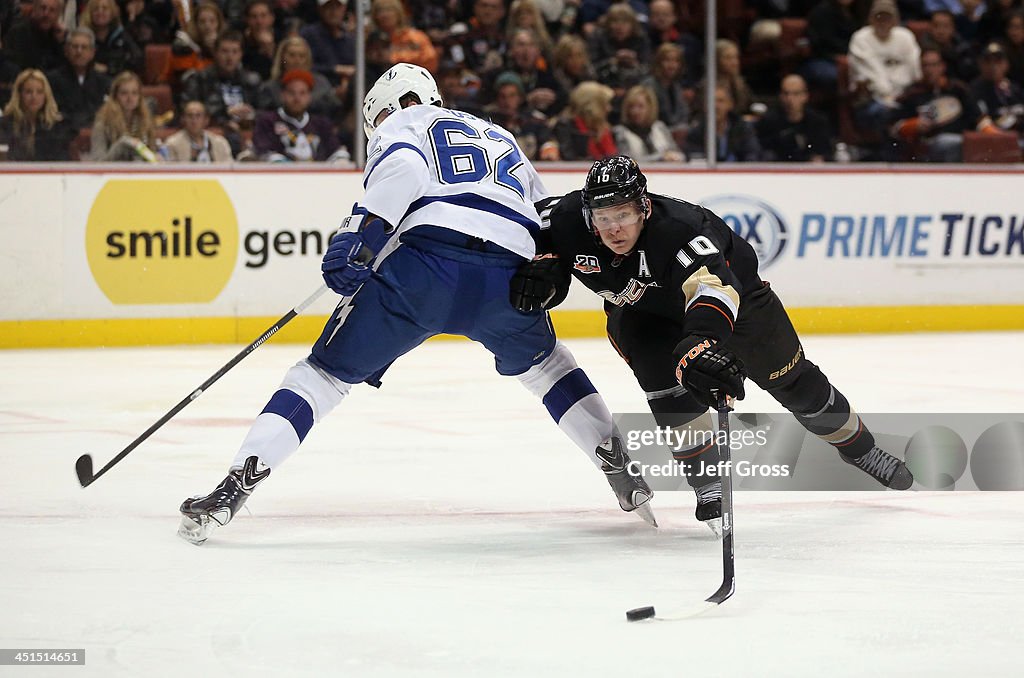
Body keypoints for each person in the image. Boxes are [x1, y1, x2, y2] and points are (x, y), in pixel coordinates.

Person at [178, 63, 656, 546]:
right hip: (508, 278)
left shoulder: (405, 123)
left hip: (428, 270)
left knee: (320, 376)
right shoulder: (498, 133)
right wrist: (549, 262)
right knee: (549, 367)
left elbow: (403, 168)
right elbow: (545, 211)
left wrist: (359, 238)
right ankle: (621, 469)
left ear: (390, 105)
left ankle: (232, 490)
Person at [509, 156, 915, 529]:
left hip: (738, 306)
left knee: (795, 384)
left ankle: (859, 448)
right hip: (644, 313)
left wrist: (701, 342)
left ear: (644, 208)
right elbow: (537, 230)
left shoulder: (682, 230)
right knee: (662, 380)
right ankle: (708, 483)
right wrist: (545, 267)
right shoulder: (565, 220)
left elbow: (713, 290)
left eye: (624, 214)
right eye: (603, 216)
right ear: (588, 213)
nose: (614, 228)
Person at [251, 68, 344, 162]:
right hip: (281, 175)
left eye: (302, 93)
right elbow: (265, 153)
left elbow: (336, 152)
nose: (297, 98)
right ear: (282, 95)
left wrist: (340, 160)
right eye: (291, 93)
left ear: (309, 97)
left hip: (318, 175)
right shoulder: (267, 121)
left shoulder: (322, 124)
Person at [46, 26, 111, 132]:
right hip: (62, 137)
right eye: (75, 47)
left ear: (92, 52)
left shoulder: (104, 82)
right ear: (66, 50)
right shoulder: (52, 80)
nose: (79, 51)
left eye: (84, 47)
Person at [0, 68, 74, 160]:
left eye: (39, 92)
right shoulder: (4, 124)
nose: (34, 97)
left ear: (46, 95)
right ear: (19, 94)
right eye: (28, 92)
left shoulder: (58, 125)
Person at [756, 74, 833, 162]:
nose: (790, 98)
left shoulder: (817, 122)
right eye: (786, 93)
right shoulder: (768, 122)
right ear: (780, 96)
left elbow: (825, 152)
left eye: (795, 94)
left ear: (805, 96)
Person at [88, 70, 159, 161]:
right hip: (113, 173)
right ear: (115, 96)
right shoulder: (102, 124)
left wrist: (157, 157)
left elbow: (152, 154)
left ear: (140, 96)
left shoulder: (146, 121)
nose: (130, 98)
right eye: (124, 93)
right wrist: (121, 146)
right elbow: (98, 162)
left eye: (134, 93)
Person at [612, 84, 685, 162]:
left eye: (640, 107)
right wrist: (660, 158)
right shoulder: (620, 131)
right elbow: (628, 161)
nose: (635, 111)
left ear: (650, 107)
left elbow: (677, 153)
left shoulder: (659, 127)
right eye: (631, 106)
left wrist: (675, 157)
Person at [163, 100, 234, 162]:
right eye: (190, 116)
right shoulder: (172, 144)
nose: (194, 120)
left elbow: (229, 169)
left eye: (198, 116)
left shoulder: (220, 143)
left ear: (206, 120)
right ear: (183, 119)